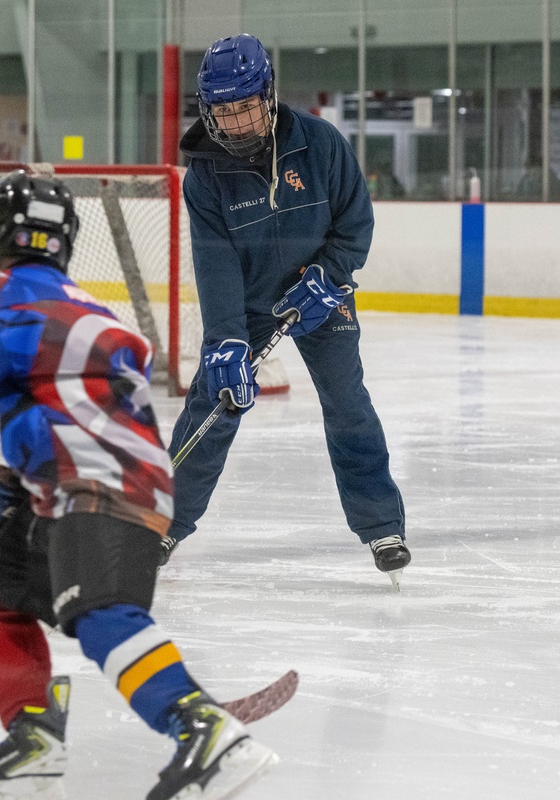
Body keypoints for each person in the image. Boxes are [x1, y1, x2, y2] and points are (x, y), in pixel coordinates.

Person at [0, 171, 278, 800]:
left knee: (102, 615)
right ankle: (32, 739)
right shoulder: (83, 306)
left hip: (97, 488)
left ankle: (204, 731)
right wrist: (13, 491)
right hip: (107, 483)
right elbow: (74, 410)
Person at [162, 33, 410, 586]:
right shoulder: (205, 175)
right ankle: (165, 522)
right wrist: (226, 338)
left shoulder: (321, 144)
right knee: (215, 399)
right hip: (248, 304)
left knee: (347, 401)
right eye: (224, 112)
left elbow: (356, 223)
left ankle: (381, 525)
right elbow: (215, 263)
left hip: (320, 291)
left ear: (268, 97)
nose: (238, 122)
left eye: (247, 107)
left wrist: (330, 276)